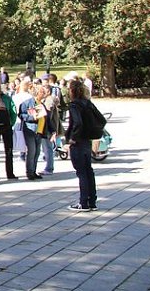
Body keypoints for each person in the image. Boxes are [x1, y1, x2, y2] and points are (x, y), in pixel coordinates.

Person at [65, 79, 98, 212]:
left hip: (78, 141)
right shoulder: (88, 103)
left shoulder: (74, 105)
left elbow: (77, 123)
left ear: (72, 91)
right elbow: (100, 119)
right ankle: (92, 201)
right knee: (88, 170)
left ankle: (83, 202)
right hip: (87, 139)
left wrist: (72, 138)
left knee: (82, 172)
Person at [16, 81, 45, 180]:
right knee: (32, 151)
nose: (43, 93)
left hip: (40, 130)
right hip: (30, 130)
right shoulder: (27, 102)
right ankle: (30, 172)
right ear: (37, 93)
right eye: (42, 92)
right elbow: (21, 115)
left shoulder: (42, 103)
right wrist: (31, 117)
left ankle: (33, 171)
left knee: (37, 152)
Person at [0, 98, 17, 180]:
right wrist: (11, 123)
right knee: (8, 150)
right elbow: (14, 112)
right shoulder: (8, 99)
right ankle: (10, 173)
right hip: (6, 125)